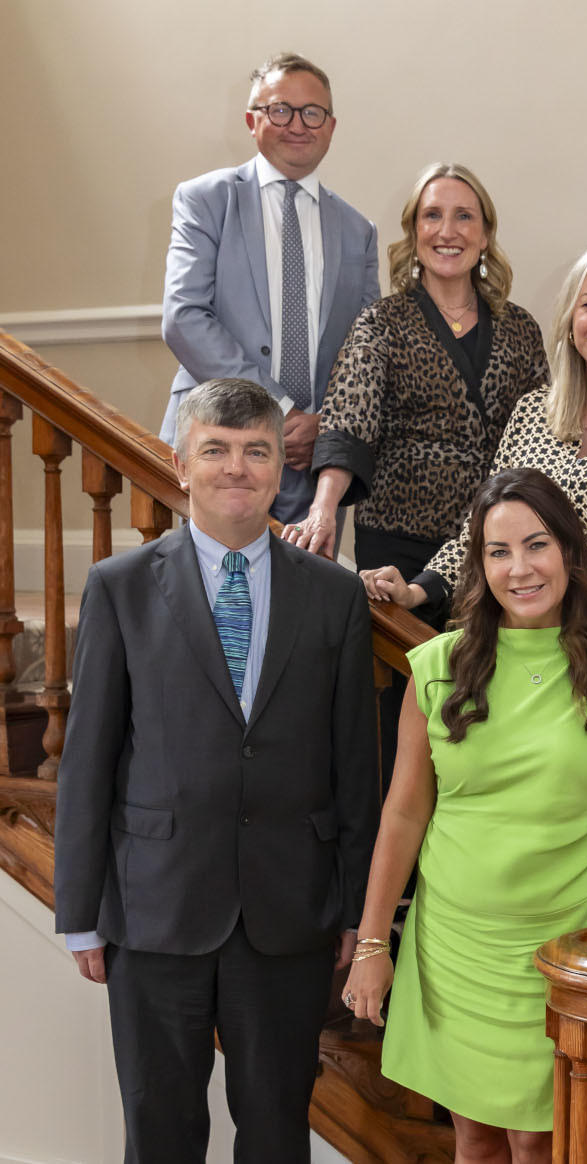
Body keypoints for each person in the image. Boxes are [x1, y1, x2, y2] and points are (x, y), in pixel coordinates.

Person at [53, 378, 379, 1163]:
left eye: (256, 451)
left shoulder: (334, 597)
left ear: (279, 469)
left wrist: (356, 909)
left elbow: (356, 765)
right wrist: (79, 910)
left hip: (290, 909)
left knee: (274, 1132)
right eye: (217, 451)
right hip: (153, 907)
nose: (238, 467)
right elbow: (89, 758)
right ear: (180, 464)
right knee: (160, 1130)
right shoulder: (119, 588)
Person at [342, 467, 587, 1162]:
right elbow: (404, 815)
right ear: (479, 565)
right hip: (456, 948)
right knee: (473, 1135)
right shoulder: (436, 666)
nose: (519, 568)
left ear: (568, 552)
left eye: (536, 546)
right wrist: (374, 944)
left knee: (542, 1137)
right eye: (498, 552)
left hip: (566, 948)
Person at [359, 240, 587, 792]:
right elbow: (488, 530)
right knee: (553, 796)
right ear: (570, 316)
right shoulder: (532, 412)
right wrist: (419, 591)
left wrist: (572, 634)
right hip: (542, 635)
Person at [285, 161, 547, 567]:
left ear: (486, 235)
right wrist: (322, 507)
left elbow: (540, 442)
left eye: (464, 216)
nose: (447, 231)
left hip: (494, 544)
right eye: (432, 216)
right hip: (397, 545)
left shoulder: (521, 329)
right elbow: (347, 424)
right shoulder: (381, 323)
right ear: (414, 231)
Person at [159, 52, 380, 526]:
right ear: (251, 120)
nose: (297, 124)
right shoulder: (205, 200)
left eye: (312, 112)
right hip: (218, 444)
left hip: (312, 457)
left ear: (331, 125)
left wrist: (325, 423)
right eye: (280, 110)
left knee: (304, 596)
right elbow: (184, 316)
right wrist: (277, 414)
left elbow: (366, 353)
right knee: (211, 593)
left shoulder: (358, 230)